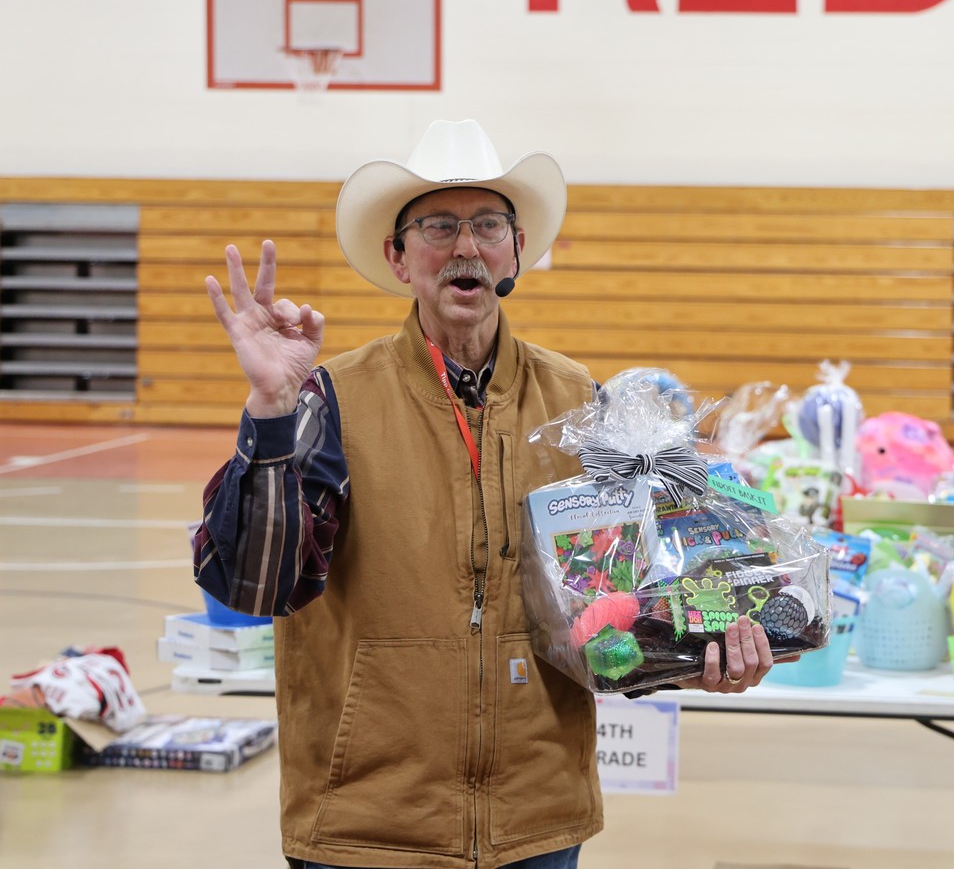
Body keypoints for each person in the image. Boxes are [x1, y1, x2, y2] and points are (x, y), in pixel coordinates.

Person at [193, 120, 777, 869]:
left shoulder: (579, 405)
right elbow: (254, 583)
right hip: (368, 824)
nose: (466, 245)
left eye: (488, 224)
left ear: (516, 251)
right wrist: (271, 410)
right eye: (438, 225)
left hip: (535, 818)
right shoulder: (330, 398)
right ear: (398, 258)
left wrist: (701, 652)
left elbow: (620, 612)